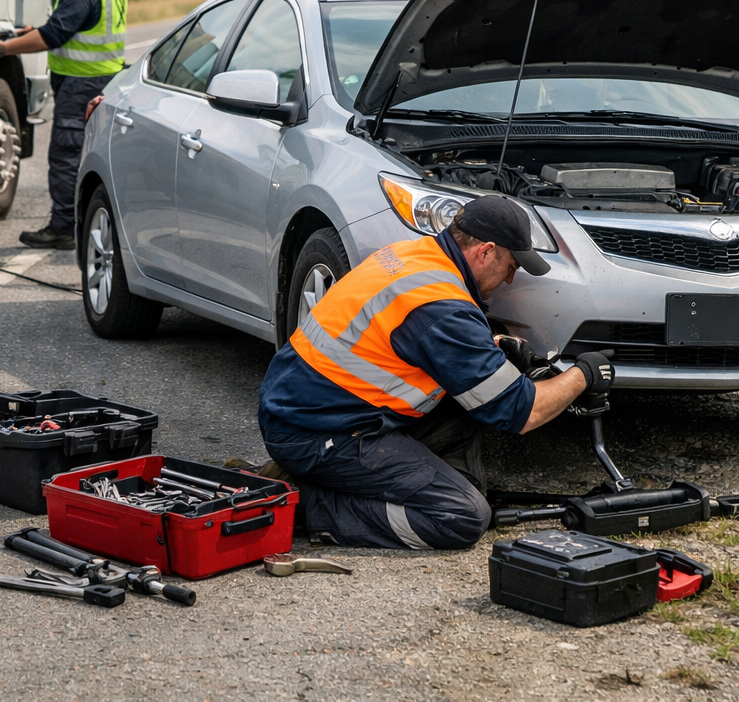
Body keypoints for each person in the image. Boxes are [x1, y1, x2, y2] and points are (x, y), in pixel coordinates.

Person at [257, 195, 615, 550]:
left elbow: (411, 337)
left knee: (476, 395)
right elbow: (523, 412)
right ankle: (307, 504)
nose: (510, 278)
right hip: (316, 434)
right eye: (511, 266)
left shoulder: (414, 256)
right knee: (462, 516)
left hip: (309, 408)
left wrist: (489, 345)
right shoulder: (441, 307)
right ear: (485, 252)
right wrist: (584, 373)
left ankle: (417, 482)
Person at [0, 0, 126, 251]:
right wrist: (31, 32)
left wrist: (4, 48)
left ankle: (63, 228)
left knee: (65, 157)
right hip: (104, 82)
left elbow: (54, 35)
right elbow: (74, 30)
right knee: (93, 157)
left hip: (80, 88)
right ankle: (88, 225)